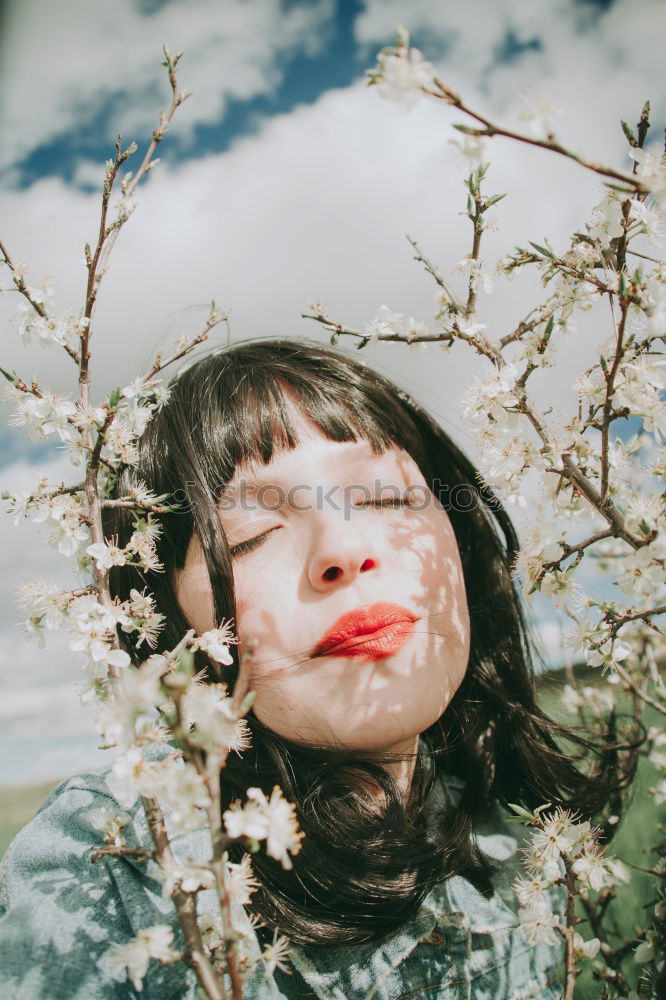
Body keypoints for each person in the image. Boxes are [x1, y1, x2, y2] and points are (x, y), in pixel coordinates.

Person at [0, 338, 627, 998]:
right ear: (166, 626)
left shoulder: (521, 840)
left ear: (465, 547)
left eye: (388, 498)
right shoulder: (115, 866)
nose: (344, 548)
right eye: (250, 533)